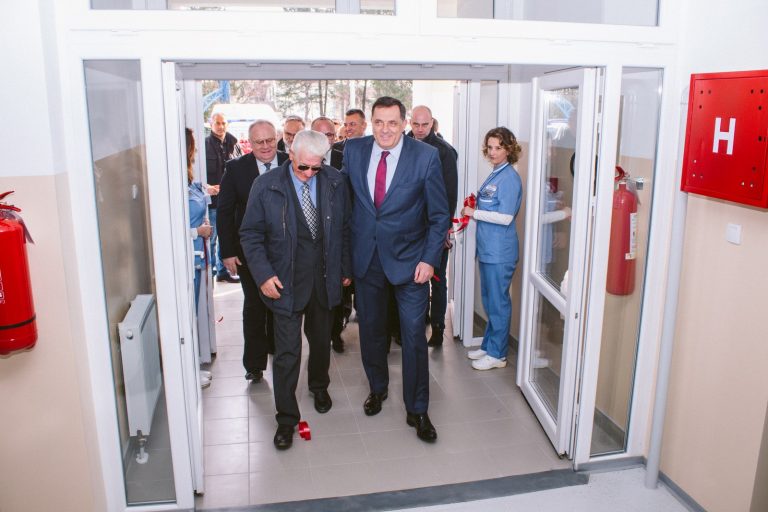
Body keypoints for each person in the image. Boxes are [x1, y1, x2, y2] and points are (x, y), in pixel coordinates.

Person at [343, 96, 449, 442]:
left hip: (411, 263)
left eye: (392, 122)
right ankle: (377, 388)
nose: (385, 130)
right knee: (371, 331)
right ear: (370, 123)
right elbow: (345, 205)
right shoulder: (354, 151)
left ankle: (417, 409)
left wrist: (429, 260)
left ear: (404, 124)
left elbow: (439, 216)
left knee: (414, 335)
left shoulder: (426, 156)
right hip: (367, 260)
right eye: (379, 122)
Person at [239, 130, 352, 450]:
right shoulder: (266, 185)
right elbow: (250, 235)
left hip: (324, 278)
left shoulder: (335, 181)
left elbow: (344, 227)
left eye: (317, 167)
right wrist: (263, 275)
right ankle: (287, 419)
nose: (310, 174)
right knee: (287, 352)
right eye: (304, 167)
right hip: (284, 281)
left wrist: (345, 269)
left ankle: (319, 386)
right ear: (290, 155)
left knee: (321, 341)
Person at [218, 120, 288, 382]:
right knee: (255, 306)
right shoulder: (236, 169)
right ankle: (254, 364)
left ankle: (280, 353)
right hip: (249, 251)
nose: (266, 147)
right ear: (250, 143)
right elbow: (225, 212)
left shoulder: (291, 162)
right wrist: (227, 251)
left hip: (285, 251)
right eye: (259, 142)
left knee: (282, 306)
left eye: (270, 140)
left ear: (277, 138)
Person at [461, 127, 523, 371]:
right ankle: (488, 346)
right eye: (490, 147)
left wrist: (473, 213)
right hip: (488, 250)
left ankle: (498, 354)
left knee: (498, 303)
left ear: (509, 149)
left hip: (500, 252)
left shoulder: (509, 178)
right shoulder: (496, 173)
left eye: (499, 147)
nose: (493, 152)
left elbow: (506, 217)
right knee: (489, 301)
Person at [408, 105, 459, 347]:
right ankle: (411, 325)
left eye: (424, 124)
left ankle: (438, 328)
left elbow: (450, 194)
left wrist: (445, 229)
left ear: (432, 123)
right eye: (416, 124)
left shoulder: (444, 151)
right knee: (410, 278)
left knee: (437, 280)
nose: (420, 129)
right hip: (409, 227)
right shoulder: (401, 145)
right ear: (410, 122)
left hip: (435, 228)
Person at [186, 128, 213, 388]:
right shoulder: (172, 184)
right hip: (189, 258)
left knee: (195, 313)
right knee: (187, 316)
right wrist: (197, 232)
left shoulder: (189, 181)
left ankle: (194, 366)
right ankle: (188, 371)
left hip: (199, 257)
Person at [205, 112, 243, 284]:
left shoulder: (234, 145)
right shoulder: (205, 145)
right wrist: (207, 187)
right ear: (211, 124)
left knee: (227, 236)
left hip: (232, 201)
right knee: (212, 239)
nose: (221, 126)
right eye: (217, 123)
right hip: (213, 202)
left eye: (224, 123)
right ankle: (211, 273)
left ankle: (223, 271)